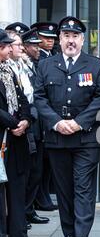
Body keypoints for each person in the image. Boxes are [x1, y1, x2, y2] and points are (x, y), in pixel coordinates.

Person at [34, 16, 100, 237]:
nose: (71, 40)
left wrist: (79, 122)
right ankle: (68, 233)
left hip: (86, 138)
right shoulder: (46, 65)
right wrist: (56, 122)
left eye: (75, 36)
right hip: (57, 137)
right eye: (66, 36)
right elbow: (39, 97)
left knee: (83, 187)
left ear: (82, 39)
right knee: (64, 188)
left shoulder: (96, 65)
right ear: (59, 39)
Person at [0, 29, 34, 237]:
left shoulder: (8, 70)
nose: (10, 48)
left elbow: (22, 98)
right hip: (4, 134)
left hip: (15, 137)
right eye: (6, 46)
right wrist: (13, 124)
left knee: (17, 184)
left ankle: (17, 233)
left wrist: (25, 120)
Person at [22, 28, 50, 226]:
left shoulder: (34, 65)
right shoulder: (22, 67)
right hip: (27, 126)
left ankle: (29, 209)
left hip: (38, 125)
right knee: (29, 171)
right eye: (33, 45)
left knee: (36, 171)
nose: (37, 48)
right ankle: (24, 211)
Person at [30, 22, 59, 212]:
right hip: (39, 115)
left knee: (47, 162)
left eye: (52, 38)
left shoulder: (54, 57)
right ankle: (40, 199)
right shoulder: (36, 61)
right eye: (45, 38)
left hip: (51, 115)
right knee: (38, 164)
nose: (49, 41)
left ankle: (43, 196)